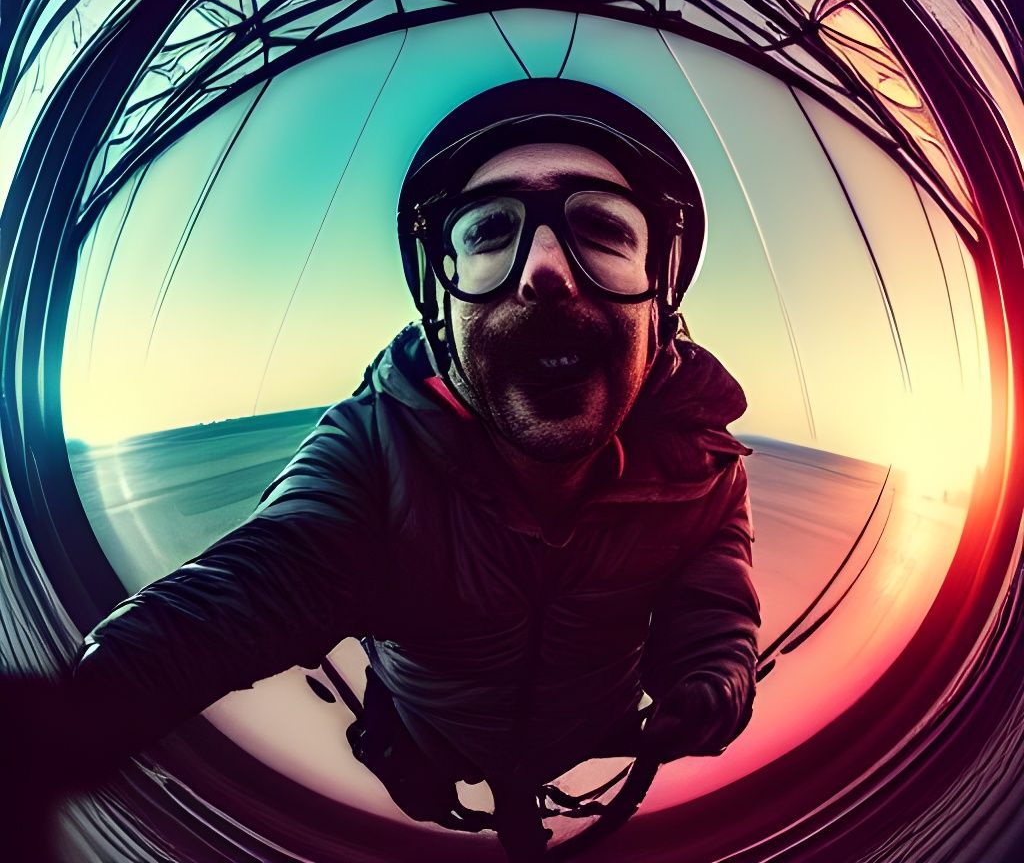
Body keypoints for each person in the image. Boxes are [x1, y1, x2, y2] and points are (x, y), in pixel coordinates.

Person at [6, 79, 760, 861]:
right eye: (491, 230)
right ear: (443, 300)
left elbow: (715, 609)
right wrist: (91, 706)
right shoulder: (372, 451)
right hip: (427, 739)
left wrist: (711, 683)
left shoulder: (706, 468)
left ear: (662, 295)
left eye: (601, 228)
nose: (544, 270)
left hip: (595, 731)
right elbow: (274, 572)